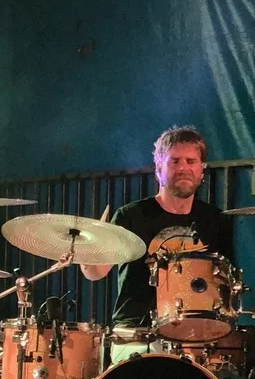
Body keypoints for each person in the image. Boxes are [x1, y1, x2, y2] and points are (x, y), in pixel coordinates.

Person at [81, 125, 234, 365]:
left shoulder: (215, 221)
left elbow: (224, 284)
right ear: (158, 168)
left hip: (195, 339)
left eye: (191, 161)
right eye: (174, 161)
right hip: (137, 335)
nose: (183, 168)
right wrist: (85, 248)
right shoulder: (131, 216)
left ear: (201, 170)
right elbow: (95, 272)